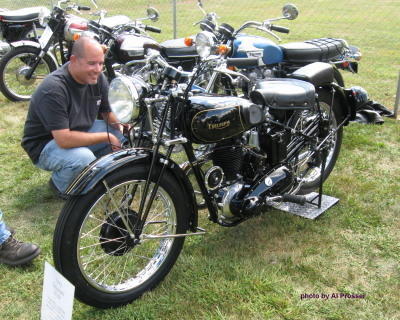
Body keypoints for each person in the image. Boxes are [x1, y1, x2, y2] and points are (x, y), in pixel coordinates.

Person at [21, 37, 125, 198]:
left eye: (101, 63)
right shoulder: (54, 89)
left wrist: (121, 124)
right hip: (46, 144)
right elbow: (64, 139)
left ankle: (92, 174)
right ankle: (60, 185)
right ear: (74, 60)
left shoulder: (97, 78)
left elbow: (106, 113)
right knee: (83, 158)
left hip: (78, 129)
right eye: (92, 63)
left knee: (122, 136)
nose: (98, 69)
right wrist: (107, 137)